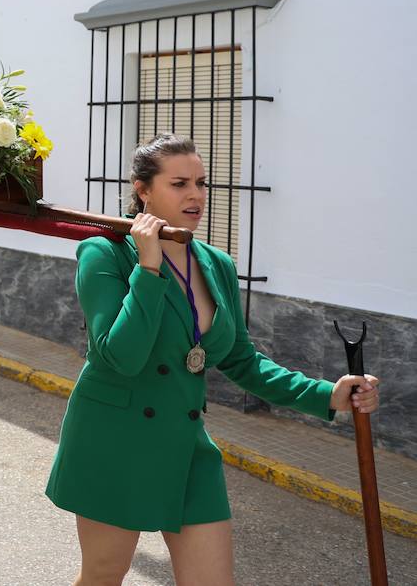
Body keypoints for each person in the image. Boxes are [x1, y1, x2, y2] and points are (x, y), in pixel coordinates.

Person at [46, 134, 381, 585]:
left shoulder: (217, 264)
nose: (196, 195)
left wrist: (327, 395)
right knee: (104, 575)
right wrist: (148, 268)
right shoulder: (105, 252)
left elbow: (243, 360)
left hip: (186, 445)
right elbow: (119, 356)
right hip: (114, 441)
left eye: (201, 183)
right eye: (179, 183)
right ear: (143, 190)